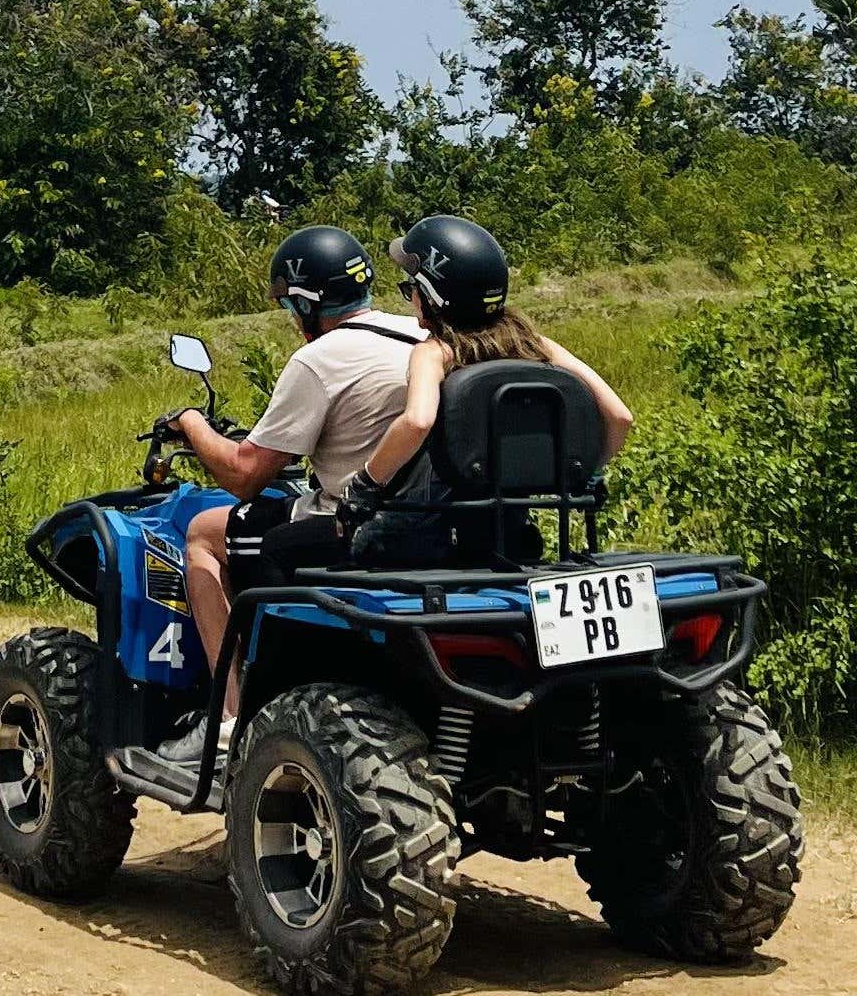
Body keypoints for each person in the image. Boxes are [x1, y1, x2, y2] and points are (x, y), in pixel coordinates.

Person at [155, 224, 426, 764]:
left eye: (289, 307)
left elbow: (244, 472)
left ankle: (229, 716)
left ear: (305, 303)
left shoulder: (319, 360)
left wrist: (190, 424)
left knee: (203, 535)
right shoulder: (420, 334)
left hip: (356, 520)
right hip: (430, 514)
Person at [344, 216, 634, 563]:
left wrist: (363, 486)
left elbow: (417, 422)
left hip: (428, 526)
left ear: (432, 297)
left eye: (412, 289)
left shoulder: (434, 352)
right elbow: (619, 416)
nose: (412, 298)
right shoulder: (537, 345)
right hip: (510, 527)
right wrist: (588, 474)